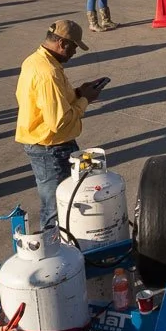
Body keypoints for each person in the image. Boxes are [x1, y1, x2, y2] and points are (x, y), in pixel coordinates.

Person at [15, 20, 105, 232]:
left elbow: (49, 102)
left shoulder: (35, 61)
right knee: (56, 207)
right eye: (74, 47)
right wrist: (86, 101)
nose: (74, 52)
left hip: (49, 145)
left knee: (61, 203)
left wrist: (78, 93)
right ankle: (55, 248)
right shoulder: (49, 73)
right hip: (50, 148)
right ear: (63, 43)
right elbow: (58, 121)